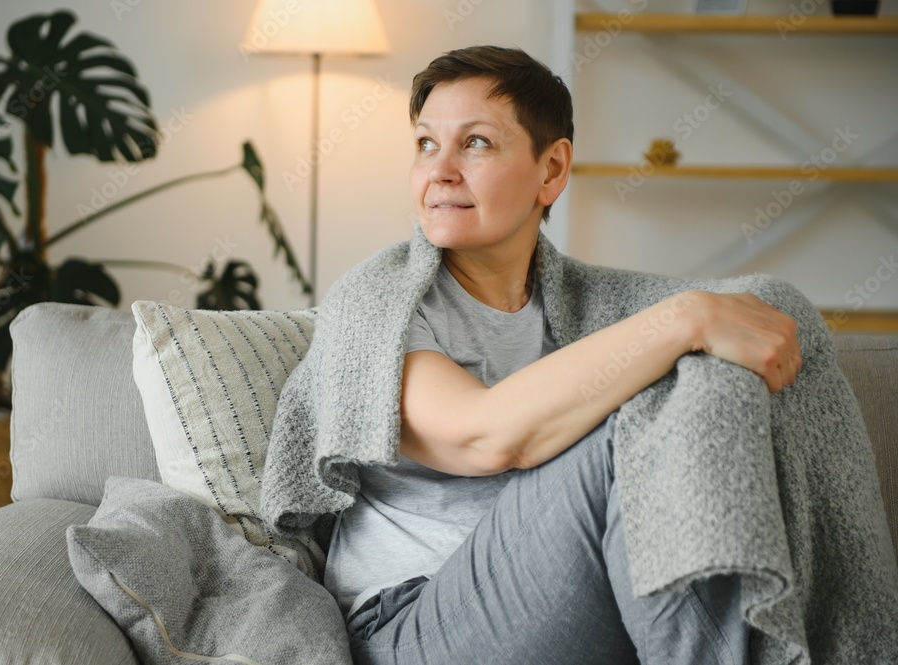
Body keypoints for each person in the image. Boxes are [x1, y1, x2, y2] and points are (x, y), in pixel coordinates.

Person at [316, 45, 802, 664]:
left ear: (552, 170)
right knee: (634, 434)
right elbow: (482, 436)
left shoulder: (585, 306)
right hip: (411, 627)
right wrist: (690, 318)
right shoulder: (376, 304)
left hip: (564, 604)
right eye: (424, 144)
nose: (439, 170)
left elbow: (758, 315)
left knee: (683, 407)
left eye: (476, 144)